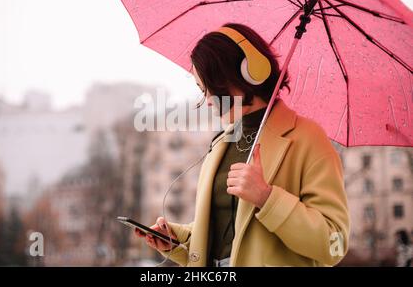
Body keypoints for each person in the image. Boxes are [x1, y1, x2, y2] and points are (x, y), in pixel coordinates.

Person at [135, 23, 350, 267]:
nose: (206, 101)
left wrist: (267, 199)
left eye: (209, 88)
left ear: (248, 74)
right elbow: (229, 237)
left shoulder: (308, 139)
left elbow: (336, 244)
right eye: (200, 89)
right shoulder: (221, 143)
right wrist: (177, 241)